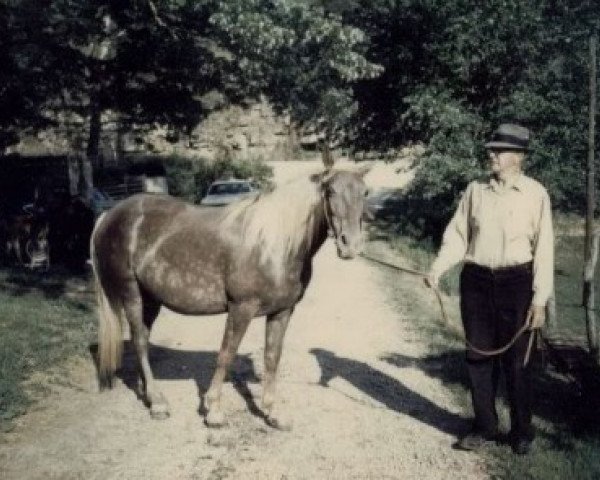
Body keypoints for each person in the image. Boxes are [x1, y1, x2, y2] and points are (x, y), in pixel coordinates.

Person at [425, 123, 554, 455]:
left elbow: (544, 250)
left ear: (518, 157)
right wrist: (438, 268)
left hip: (518, 283)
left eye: (499, 150)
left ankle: (522, 432)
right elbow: (457, 236)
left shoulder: (536, 194)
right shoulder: (475, 190)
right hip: (477, 282)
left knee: (518, 361)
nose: (491, 155)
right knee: (478, 357)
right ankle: (484, 425)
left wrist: (539, 300)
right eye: (491, 149)